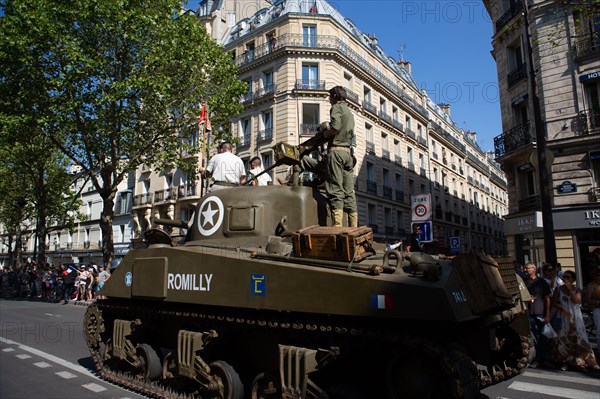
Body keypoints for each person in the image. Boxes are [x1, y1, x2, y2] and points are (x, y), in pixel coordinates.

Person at [300, 86, 357, 227]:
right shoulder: (349, 112)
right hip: (347, 153)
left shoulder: (336, 107)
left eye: (330, 96)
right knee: (349, 191)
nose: (329, 99)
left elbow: (335, 127)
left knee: (335, 188)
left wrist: (326, 134)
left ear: (335, 96)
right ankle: (353, 226)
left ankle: (337, 226)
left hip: (336, 152)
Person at [551, 270, 598, 370]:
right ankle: (565, 361)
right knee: (565, 339)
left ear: (573, 279)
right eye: (564, 277)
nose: (565, 279)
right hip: (564, 316)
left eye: (568, 277)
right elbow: (554, 303)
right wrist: (563, 309)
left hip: (576, 317)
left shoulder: (577, 290)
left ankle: (583, 360)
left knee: (579, 337)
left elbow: (576, 300)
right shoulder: (558, 289)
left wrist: (570, 290)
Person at [524, 262, 552, 368]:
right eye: (525, 269)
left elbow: (547, 298)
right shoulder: (524, 282)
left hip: (540, 313)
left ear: (534, 269)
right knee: (533, 338)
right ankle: (536, 360)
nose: (525, 270)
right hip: (529, 314)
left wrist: (548, 314)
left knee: (543, 338)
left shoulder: (541, 282)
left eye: (527, 268)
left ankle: (543, 359)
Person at [584, 267, 600, 353]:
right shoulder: (591, 285)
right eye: (597, 275)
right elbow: (588, 299)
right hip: (597, 308)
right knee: (599, 330)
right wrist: (597, 302)